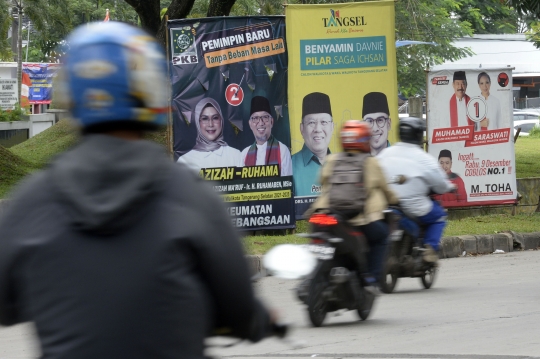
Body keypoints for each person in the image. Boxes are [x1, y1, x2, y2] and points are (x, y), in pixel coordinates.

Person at [0, 22, 273, 359]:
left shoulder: (32, 202)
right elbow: (240, 307)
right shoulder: (191, 198)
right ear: (149, 86)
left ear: (72, 93)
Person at [306, 120, 399, 288]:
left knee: (316, 241)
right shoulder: (370, 162)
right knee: (382, 237)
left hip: (327, 215)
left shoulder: (332, 159)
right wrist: (395, 201)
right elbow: (386, 189)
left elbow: (322, 181)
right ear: (365, 140)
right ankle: (371, 280)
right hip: (360, 219)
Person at [378, 117, 455, 263]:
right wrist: (450, 187)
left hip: (385, 205)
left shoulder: (384, 154)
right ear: (419, 135)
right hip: (414, 207)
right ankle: (430, 250)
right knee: (439, 216)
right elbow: (440, 184)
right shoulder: (424, 158)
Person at [177, 97, 242, 172]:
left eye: (215, 118)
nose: (210, 124)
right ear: (198, 123)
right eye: (205, 119)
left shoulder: (236, 155)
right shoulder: (185, 161)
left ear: (221, 121)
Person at [292, 92, 335, 196]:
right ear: (302, 129)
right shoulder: (288, 166)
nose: (318, 129)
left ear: (332, 127)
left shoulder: (342, 166)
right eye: (311, 123)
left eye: (324, 122)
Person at [241, 96, 292, 176]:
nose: (261, 123)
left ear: (271, 122)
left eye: (265, 117)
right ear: (250, 124)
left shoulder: (282, 150)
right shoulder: (244, 154)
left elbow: (287, 184)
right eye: (255, 118)